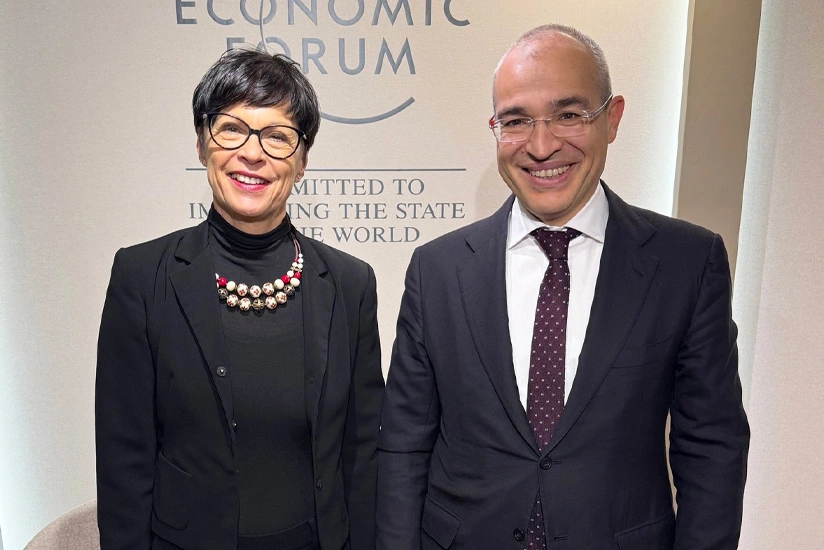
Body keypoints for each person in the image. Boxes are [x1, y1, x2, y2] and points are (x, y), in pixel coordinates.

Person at [376, 24, 749, 550]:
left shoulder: (686, 262)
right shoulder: (437, 270)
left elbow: (711, 448)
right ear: (495, 129)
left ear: (612, 118)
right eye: (516, 121)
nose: (542, 145)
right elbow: (404, 447)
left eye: (569, 115)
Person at [95, 49, 384, 550]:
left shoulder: (349, 283)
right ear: (201, 143)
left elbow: (362, 456)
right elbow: (124, 462)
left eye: (278, 136)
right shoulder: (142, 277)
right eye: (231, 129)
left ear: (302, 161)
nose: (253, 154)